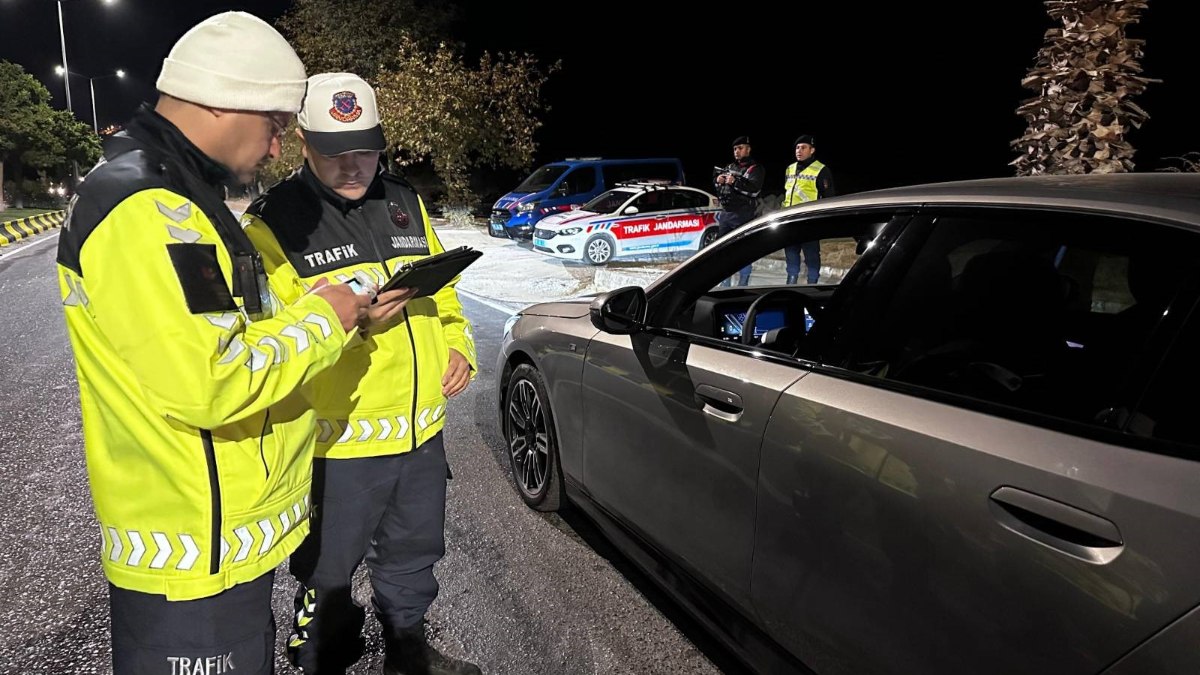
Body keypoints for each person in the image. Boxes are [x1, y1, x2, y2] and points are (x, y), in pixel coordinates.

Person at [55, 12, 373, 675]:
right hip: (192, 556)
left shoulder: (182, 196)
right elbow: (212, 376)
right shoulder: (145, 206)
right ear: (226, 100)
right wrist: (324, 322)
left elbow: (235, 327)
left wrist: (316, 308)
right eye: (276, 124)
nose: (278, 146)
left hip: (219, 543)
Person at [241, 73, 481, 675]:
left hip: (420, 432)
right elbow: (267, 342)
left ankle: (407, 651)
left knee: (414, 554)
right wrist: (355, 322)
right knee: (327, 569)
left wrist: (457, 343)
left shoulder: (404, 201)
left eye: (366, 150)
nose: (354, 168)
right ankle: (322, 656)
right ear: (302, 143)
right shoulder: (274, 226)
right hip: (338, 442)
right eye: (334, 153)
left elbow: (442, 295)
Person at [781, 134, 835, 284]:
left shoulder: (821, 170)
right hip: (790, 220)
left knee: (811, 255)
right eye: (797, 148)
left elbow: (829, 198)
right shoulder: (790, 169)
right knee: (791, 253)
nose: (799, 150)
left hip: (809, 221)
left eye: (803, 147)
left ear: (812, 150)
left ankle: (812, 282)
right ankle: (791, 281)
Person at [713, 135, 764, 286]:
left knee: (743, 252)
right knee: (722, 251)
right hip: (726, 214)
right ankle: (724, 283)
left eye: (740, 148)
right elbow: (722, 191)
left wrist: (735, 182)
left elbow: (754, 191)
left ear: (748, 149)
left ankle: (743, 284)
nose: (737, 151)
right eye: (735, 149)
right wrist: (718, 182)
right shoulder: (730, 167)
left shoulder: (756, 169)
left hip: (744, 214)